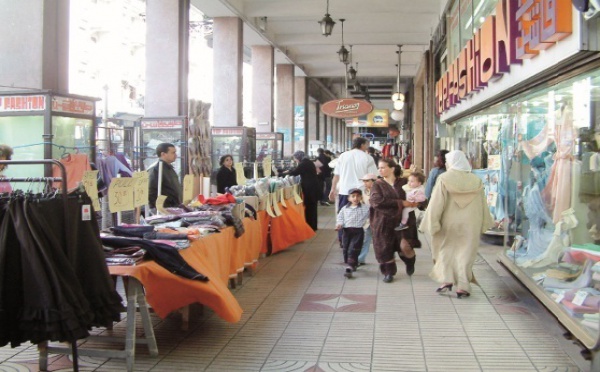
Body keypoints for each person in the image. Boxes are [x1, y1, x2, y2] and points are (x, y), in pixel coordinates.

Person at [419, 150, 494, 298]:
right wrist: (485, 222)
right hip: (470, 223)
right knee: (466, 253)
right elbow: (482, 204)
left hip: (449, 223)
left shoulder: (444, 178)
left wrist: (431, 222)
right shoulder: (476, 180)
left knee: (446, 251)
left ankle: (447, 280)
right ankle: (463, 286)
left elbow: (436, 203)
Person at [370, 158, 422, 283]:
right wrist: (401, 203)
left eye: (383, 167)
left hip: (404, 221)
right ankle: (389, 272)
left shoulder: (404, 182)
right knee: (385, 247)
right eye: (379, 168)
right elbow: (376, 202)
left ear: (392, 168)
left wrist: (418, 201)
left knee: (405, 246)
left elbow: (417, 192)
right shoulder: (378, 184)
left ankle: (410, 261)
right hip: (383, 221)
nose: (380, 170)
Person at [329, 137, 378, 212]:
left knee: (343, 216)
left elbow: (336, 175)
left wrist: (332, 189)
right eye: (366, 145)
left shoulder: (342, 156)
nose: (367, 147)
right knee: (362, 218)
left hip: (344, 191)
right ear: (362, 145)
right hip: (361, 192)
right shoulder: (368, 157)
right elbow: (373, 176)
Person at [335, 188, 370, 278]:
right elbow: (340, 217)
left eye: (358, 196)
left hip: (358, 231)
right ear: (349, 198)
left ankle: (349, 267)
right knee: (346, 248)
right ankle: (351, 263)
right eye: (353, 196)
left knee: (354, 248)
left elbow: (372, 216)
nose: (355, 198)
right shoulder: (344, 209)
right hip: (347, 231)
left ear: (361, 197)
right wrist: (339, 224)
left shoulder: (365, 208)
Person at [289, 150, 321, 231]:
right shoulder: (308, 161)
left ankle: (310, 226)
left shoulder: (304, 163)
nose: (295, 160)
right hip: (313, 187)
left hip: (310, 188)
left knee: (310, 207)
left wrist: (282, 173)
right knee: (313, 207)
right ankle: (313, 226)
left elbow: (295, 172)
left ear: (298, 157)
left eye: (295, 158)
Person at [148, 143, 182, 210]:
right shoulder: (156, 169)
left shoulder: (169, 168)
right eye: (173, 153)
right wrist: (159, 209)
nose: (176, 155)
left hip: (174, 207)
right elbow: (151, 191)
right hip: (164, 209)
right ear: (163, 154)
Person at [357, 173, 378, 265]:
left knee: (381, 240)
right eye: (364, 181)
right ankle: (360, 259)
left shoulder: (379, 192)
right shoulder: (363, 192)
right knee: (365, 239)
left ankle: (387, 257)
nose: (364, 183)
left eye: (367, 181)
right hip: (367, 220)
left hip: (378, 220)